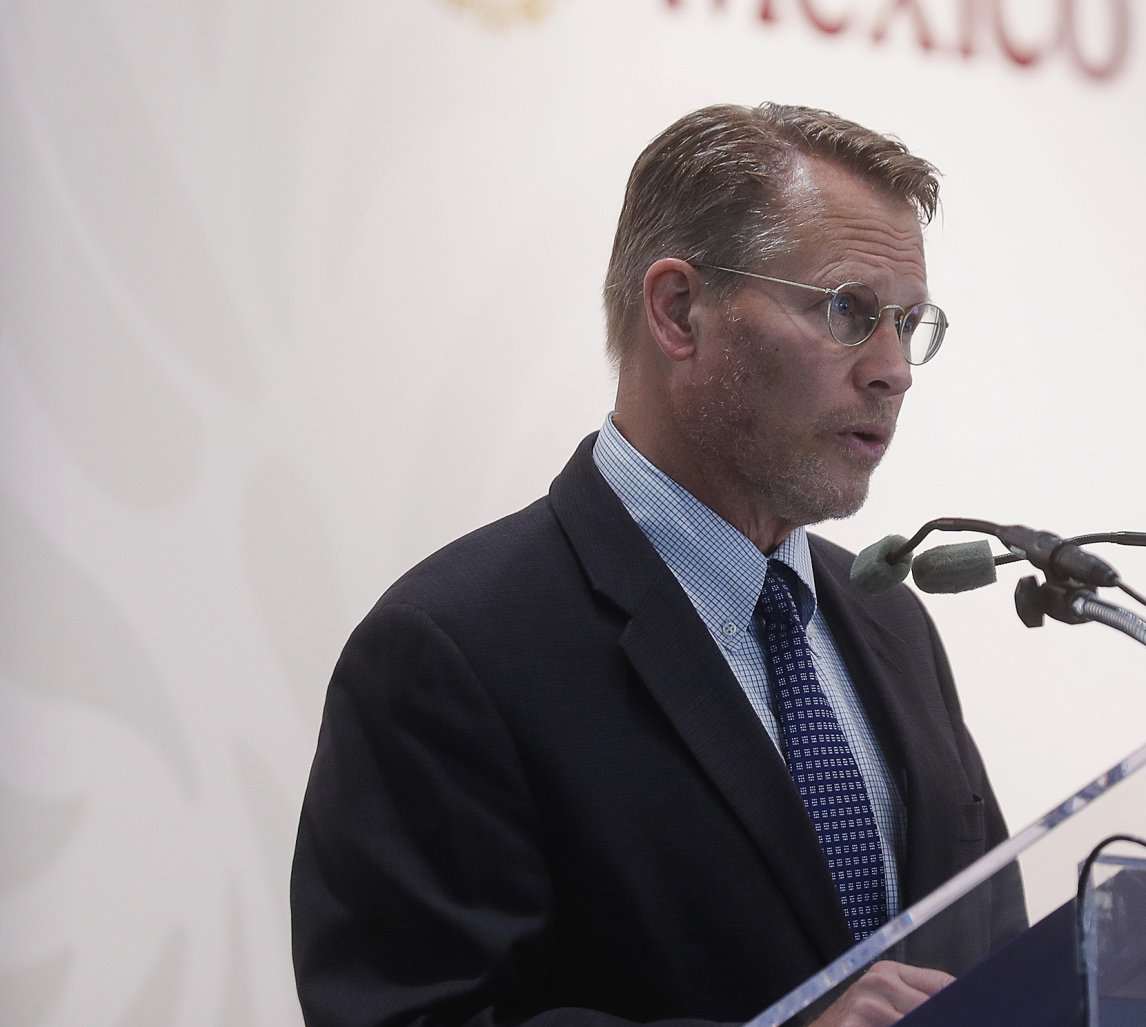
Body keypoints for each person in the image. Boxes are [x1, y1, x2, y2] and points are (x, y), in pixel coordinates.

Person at [291, 103, 1025, 1027]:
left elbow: (992, 951)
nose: (893, 370)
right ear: (680, 311)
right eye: (848, 311)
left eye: (909, 323)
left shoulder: (893, 623)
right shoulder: (454, 648)